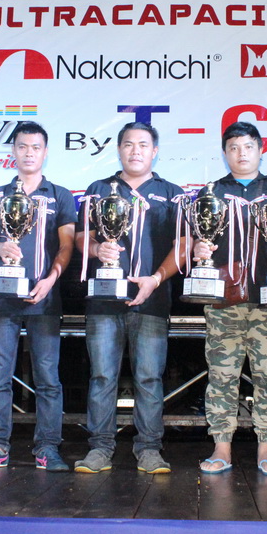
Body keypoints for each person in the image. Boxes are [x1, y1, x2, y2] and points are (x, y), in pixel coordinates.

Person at [74, 121, 184, 474]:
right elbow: (81, 237)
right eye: (128, 144)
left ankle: (149, 448)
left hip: (152, 300)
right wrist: (96, 249)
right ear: (119, 149)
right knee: (102, 377)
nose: (135, 151)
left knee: (149, 379)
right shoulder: (99, 189)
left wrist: (156, 279)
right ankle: (100, 447)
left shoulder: (172, 193)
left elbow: (183, 246)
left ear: (155, 151)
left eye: (143, 145)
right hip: (103, 301)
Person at [0, 122, 76, 473]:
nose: (29, 153)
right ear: (12, 151)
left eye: (36, 147)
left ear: (45, 152)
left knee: (47, 377)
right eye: (22, 146)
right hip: (3, 299)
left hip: (44, 299)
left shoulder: (59, 196)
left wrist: (51, 279)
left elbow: (67, 246)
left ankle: (47, 447)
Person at [194, 121, 267, 476]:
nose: (241, 154)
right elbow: (196, 240)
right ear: (225, 153)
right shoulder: (211, 193)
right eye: (234, 148)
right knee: (222, 373)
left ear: (260, 149)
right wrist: (199, 248)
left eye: (248, 146)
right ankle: (222, 446)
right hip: (224, 298)